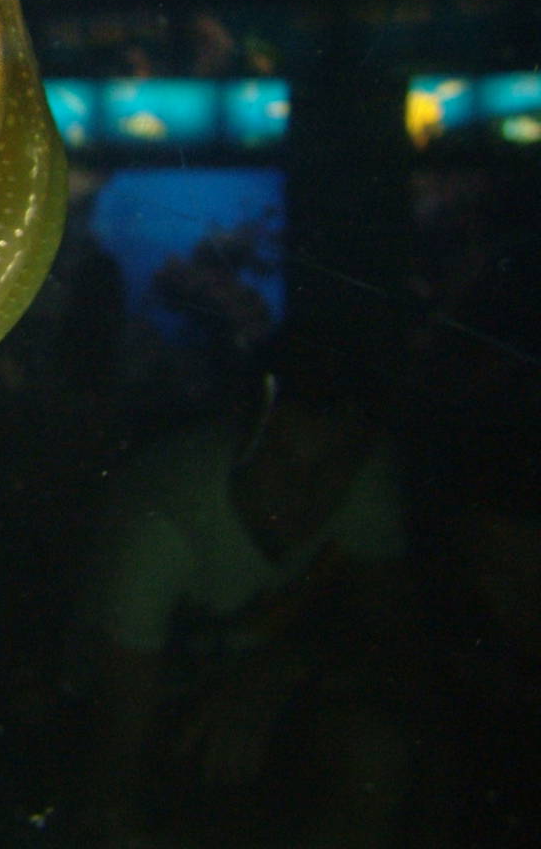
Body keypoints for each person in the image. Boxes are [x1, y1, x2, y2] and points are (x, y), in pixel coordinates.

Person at [68, 341, 419, 848]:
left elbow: (391, 637)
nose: (303, 493)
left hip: (255, 701)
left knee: (375, 751)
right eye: (283, 459)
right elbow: (117, 734)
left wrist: (282, 668)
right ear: (245, 436)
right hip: (122, 701)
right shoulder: (163, 524)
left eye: (331, 468)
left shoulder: (366, 479)